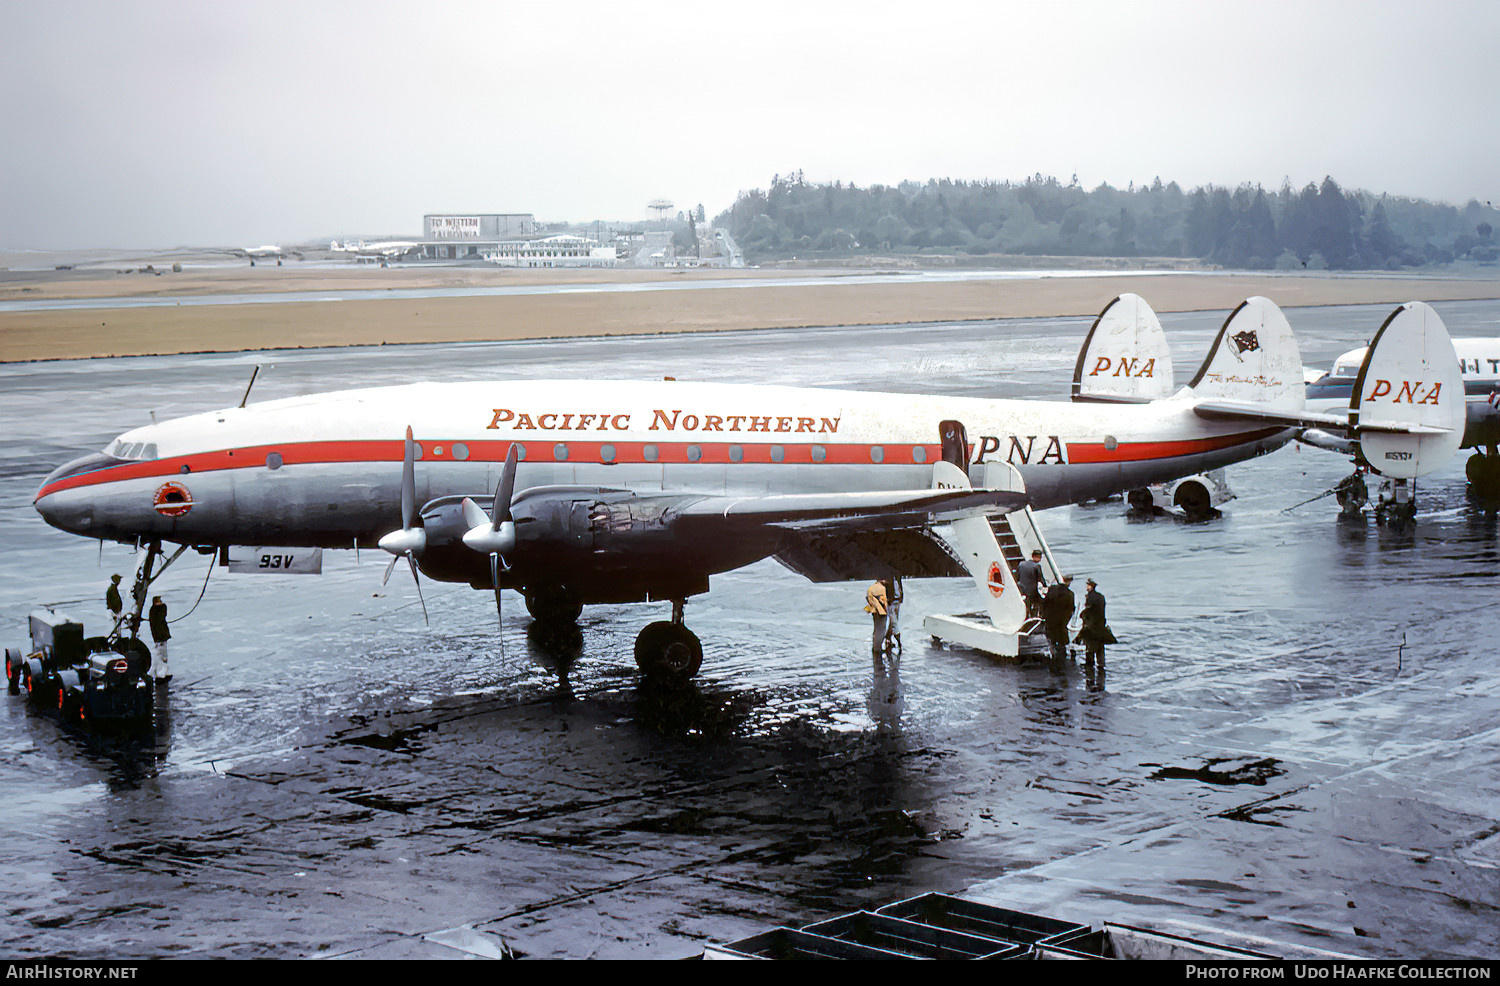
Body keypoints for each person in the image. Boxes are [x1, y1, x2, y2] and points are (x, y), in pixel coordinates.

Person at [1076, 578, 1114, 669]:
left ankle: (1089, 664)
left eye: (1087, 585)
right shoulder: (1101, 597)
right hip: (1100, 624)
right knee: (1100, 646)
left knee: (1090, 646)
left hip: (1091, 625)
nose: (1086, 587)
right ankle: (1101, 664)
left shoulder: (1090, 597)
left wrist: (1083, 615)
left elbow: (1089, 610)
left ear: (1090, 586)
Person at [1041, 574, 1076, 670]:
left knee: (1051, 638)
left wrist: (1045, 615)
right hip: (1062, 622)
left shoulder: (1052, 589)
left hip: (1051, 619)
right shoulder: (1070, 594)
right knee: (1061, 641)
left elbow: (1045, 603)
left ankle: (1053, 655)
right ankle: (1062, 658)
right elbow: (1071, 609)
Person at [1016, 549, 1046, 618]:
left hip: (1022, 589)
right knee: (1040, 601)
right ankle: (1036, 616)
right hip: (1031, 591)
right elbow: (1041, 579)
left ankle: (1026, 616)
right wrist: (1045, 586)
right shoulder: (1036, 566)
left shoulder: (1021, 564)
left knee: (1027, 603)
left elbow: (1017, 576)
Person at [148, 595, 171, 682]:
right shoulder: (156, 612)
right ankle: (159, 674)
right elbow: (162, 614)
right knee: (161, 656)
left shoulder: (154, 612)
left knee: (161, 655)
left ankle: (157, 673)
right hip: (160, 637)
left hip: (161, 637)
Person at [864, 579, 889, 656]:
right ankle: (878, 649)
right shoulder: (883, 588)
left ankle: (875, 647)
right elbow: (884, 601)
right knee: (881, 630)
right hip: (881, 612)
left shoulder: (870, 588)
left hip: (874, 611)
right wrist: (886, 609)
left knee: (876, 629)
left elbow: (868, 599)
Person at [884, 577, 903, 655]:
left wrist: (901, 597)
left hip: (897, 601)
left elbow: (900, 587)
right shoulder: (888, 578)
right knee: (894, 622)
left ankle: (888, 638)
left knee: (893, 623)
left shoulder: (897, 577)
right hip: (891, 602)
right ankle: (899, 642)